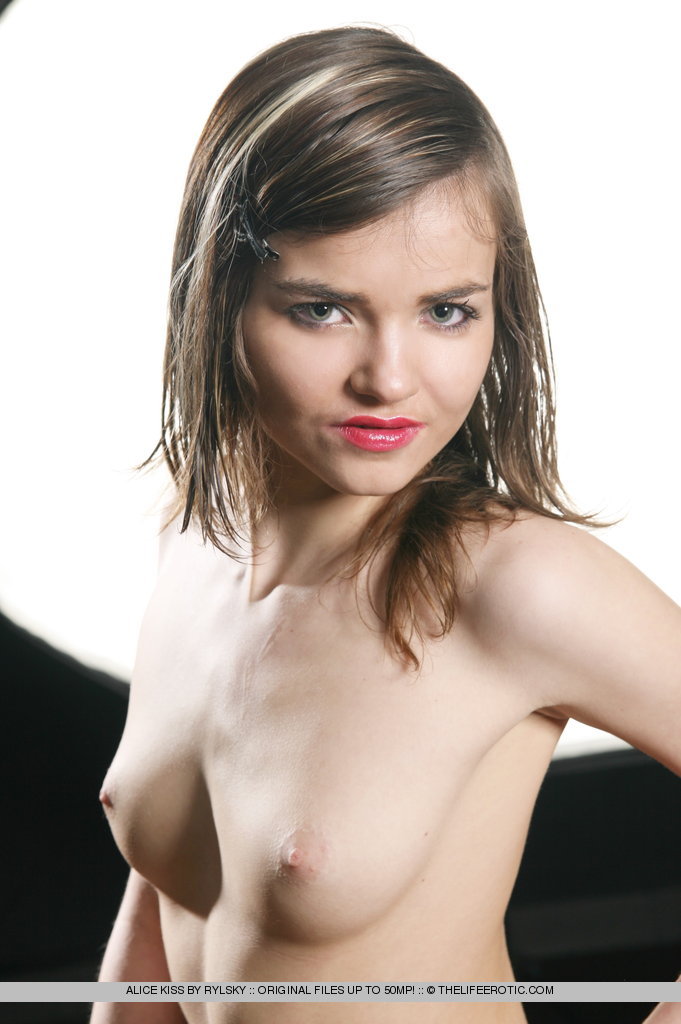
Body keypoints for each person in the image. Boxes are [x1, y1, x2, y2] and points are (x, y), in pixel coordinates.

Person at [90, 25, 681, 1024]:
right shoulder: (190, 539)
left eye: (446, 311)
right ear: (219, 299)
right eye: (323, 308)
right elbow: (171, 894)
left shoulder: (518, 585)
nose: (390, 378)